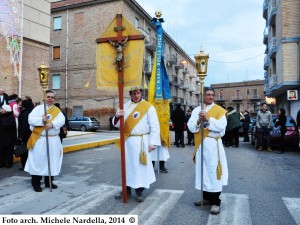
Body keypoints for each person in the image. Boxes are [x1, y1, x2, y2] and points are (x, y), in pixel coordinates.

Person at [113, 86, 161, 202]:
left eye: (138, 93)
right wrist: (117, 116)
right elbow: (117, 125)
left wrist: (153, 143)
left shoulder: (148, 107)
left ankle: (139, 191)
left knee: (141, 167)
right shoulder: (125, 106)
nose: (136, 95)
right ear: (130, 94)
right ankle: (127, 190)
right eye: (134, 93)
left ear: (141, 93)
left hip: (142, 141)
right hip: (128, 142)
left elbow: (155, 126)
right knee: (128, 166)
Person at [187, 87, 228, 215]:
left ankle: (215, 202)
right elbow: (191, 127)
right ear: (203, 96)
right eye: (208, 95)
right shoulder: (196, 110)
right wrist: (199, 120)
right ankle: (205, 198)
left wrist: (209, 119)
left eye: (212, 95)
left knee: (213, 172)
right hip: (201, 145)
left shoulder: (219, 111)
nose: (210, 97)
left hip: (213, 144)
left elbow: (222, 127)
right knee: (203, 171)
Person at [25, 90, 65, 192]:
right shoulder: (38, 109)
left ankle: (49, 182)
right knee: (38, 161)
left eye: (52, 97)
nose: (50, 98)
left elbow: (62, 120)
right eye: (48, 97)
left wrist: (52, 124)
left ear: (54, 99)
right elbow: (30, 120)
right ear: (45, 98)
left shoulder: (57, 110)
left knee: (52, 161)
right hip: (40, 139)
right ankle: (36, 183)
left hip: (53, 140)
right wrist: (41, 120)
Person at [17, 99, 34, 170]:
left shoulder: (24, 113)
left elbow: (23, 126)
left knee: (24, 151)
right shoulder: (32, 112)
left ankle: (25, 165)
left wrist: (20, 137)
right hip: (32, 134)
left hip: (25, 135)